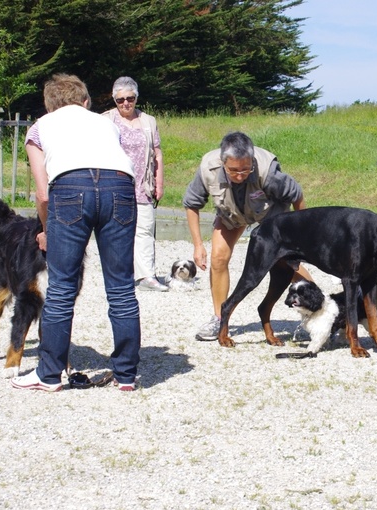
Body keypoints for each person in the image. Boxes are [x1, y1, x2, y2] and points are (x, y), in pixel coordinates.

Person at [11, 73, 141, 391]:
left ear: (48, 104)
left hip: (70, 187)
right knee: (122, 287)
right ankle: (126, 375)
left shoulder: (40, 127)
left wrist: (46, 230)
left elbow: (43, 194)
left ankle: (49, 374)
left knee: (61, 288)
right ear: (85, 102)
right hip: (120, 187)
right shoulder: (106, 123)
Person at [184, 131, 312, 341]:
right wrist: (198, 245)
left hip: (271, 213)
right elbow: (191, 203)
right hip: (232, 213)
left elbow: (296, 194)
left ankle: (319, 312)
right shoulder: (208, 167)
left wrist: (299, 234)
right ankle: (220, 319)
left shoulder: (267, 171)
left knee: (287, 263)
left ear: (251, 160)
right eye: (234, 171)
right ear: (223, 162)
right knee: (218, 258)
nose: (240, 175)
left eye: (245, 169)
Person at [103, 76, 167, 292]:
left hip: (143, 184)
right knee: (116, 232)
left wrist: (159, 182)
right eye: (120, 100)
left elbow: (157, 153)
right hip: (115, 185)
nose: (126, 104)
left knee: (145, 230)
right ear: (114, 100)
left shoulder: (149, 121)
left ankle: (147, 276)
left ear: (136, 98)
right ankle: (120, 276)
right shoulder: (105, 120)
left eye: (130, 98)